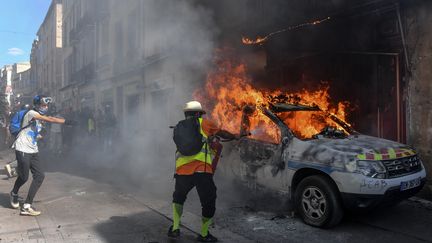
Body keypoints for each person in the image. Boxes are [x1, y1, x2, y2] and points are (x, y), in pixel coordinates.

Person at [168, 101, 238, 242]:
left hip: (182, 171)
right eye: (200, 113)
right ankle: (204, 234)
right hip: (201, 170)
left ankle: (175, 228)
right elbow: (223, 134)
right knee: (208, 200)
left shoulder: (178, 127)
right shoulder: (204, 123)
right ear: (197, 113)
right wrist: (235, 136)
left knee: (178, 198)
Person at [9, 95, 75, 216]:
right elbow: (51, 119)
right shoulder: (32, 113)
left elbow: (36, 132)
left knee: (39, 176)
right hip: (22, 148)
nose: (45, 107)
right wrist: (67, 122)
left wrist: (40, 136)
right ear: (37, 105)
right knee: (24, 177)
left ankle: (27, 205)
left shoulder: (39, 119)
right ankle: (14, 193)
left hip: (33, 150)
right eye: (43, 105)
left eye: (46, 105)